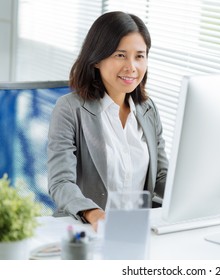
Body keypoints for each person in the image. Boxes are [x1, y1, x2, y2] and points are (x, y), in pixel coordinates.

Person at [47, 11, 168, 231]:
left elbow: (161, 174)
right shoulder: (69, 110)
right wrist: (94, 215)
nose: (131, 66)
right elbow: (60, 182)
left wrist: (205, 204)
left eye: (139, 56)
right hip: (86, 230)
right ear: (96, 60)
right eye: (120, 55)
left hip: (135, 232)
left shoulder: (148, 109)